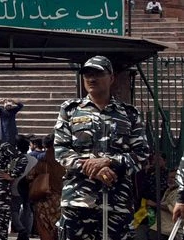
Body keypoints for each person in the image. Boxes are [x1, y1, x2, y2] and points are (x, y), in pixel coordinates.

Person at [54, 55, 149, 240]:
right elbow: (61, 149)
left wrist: (109, 162)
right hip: (78, 199)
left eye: (98, 73)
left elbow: (142, 153)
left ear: (111, 78)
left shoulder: (129, 114)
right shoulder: (70, 110)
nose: (91, 79)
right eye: (87, 74)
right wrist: (91, 167)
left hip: (117, 201)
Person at [26, 134, 64, 240]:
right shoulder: (66, 160)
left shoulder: (42, 161)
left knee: (45, 230)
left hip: (44, 201)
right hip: (62, 200)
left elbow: (29, 176)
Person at [10, 136, 38, 240]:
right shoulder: (34, 160)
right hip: (30, 188)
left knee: (14, 210)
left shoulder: (14, 159)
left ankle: (21, 229)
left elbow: (10, 172)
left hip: (15, 188)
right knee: (28, 210)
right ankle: (27, 231)